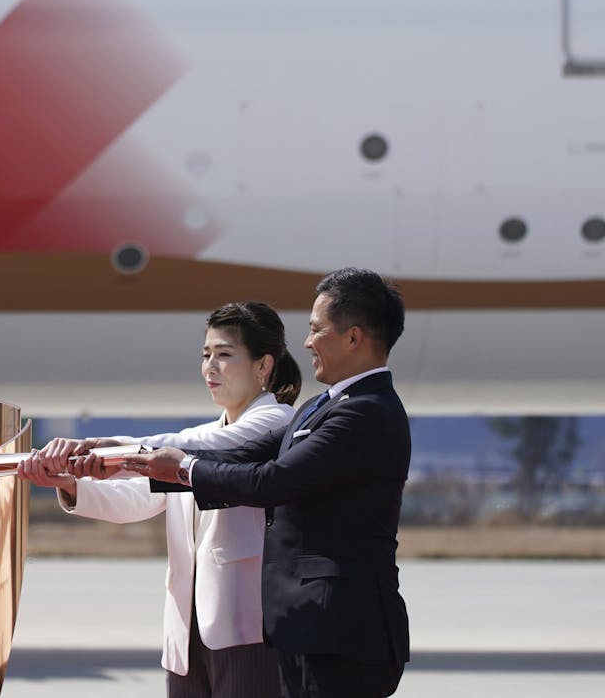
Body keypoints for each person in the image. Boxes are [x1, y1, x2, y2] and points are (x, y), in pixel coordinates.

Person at [113, 268, 411, 698]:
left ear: (353, 337)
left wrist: (184, 468)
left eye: (316, 329)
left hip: (343, 632)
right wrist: (125, 455)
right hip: (304, 629)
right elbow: (235, 455)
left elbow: (275, 481)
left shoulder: (365, 412)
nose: (307, 343)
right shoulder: (321, 407)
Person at [21, 302, 299, 697]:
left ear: (263, 366)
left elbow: (205, 448)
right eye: (206, 356)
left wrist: (111, 449)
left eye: (224, 355)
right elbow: (136, 500)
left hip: (248, 627)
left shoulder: (275, 424)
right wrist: (69, 483)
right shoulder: (195, 438)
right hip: (187, 631)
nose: (210, 368)